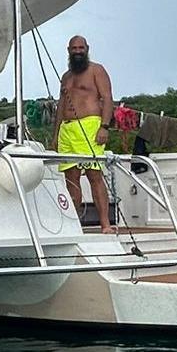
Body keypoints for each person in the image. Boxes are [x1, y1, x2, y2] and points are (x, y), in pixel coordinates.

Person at [53, 34, 115, 232]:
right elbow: (61, 105)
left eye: (81, 48)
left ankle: (105, 224)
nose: (78, 51)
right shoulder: (66, 76)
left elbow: (107, 98)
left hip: (90, 126)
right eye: (74, 48)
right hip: (67, 129)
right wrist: (55, 134)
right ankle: (75, 225)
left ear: (87, 49)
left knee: (94, 175)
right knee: (71, 178)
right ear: (68, 51)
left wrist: (104, 126)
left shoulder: (97, 70)